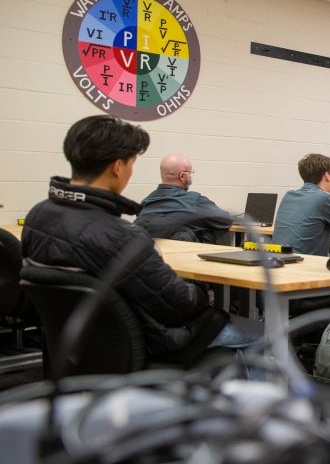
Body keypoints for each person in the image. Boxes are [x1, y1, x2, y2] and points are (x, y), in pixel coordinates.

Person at [21, 115, 263, 364]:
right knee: (266, 335)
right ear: (118, 167)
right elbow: (181, 305)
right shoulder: (120, 236)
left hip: (78, 346)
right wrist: (202, 288)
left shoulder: (37, 216)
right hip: (150, 340)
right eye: (131, 164)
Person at [135, 154, 232, 243]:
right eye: (190, 173)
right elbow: (225, 221)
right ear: (183, 176)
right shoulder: (194, 201)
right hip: (189, 259)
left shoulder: (145, 203)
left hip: (154, 259)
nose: (191, 176)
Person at [273, 153, 330, 256]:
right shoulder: (324, 198)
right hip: (305, 264)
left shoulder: (289, 195)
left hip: (277, 261)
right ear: (327, 175)